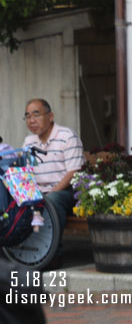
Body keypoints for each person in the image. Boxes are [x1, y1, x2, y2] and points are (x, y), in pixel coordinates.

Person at [23, 98, 85, 266]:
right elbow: (28, 173)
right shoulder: (29, 142)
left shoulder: (67, 136)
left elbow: (74, 171)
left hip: (68, 191)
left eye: (36, 114)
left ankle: (52, 254)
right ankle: (27, 250)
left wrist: (50, 194)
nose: (31, 120)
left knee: (52, 201)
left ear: (50, 116)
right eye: (27, 116)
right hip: (41, 192)